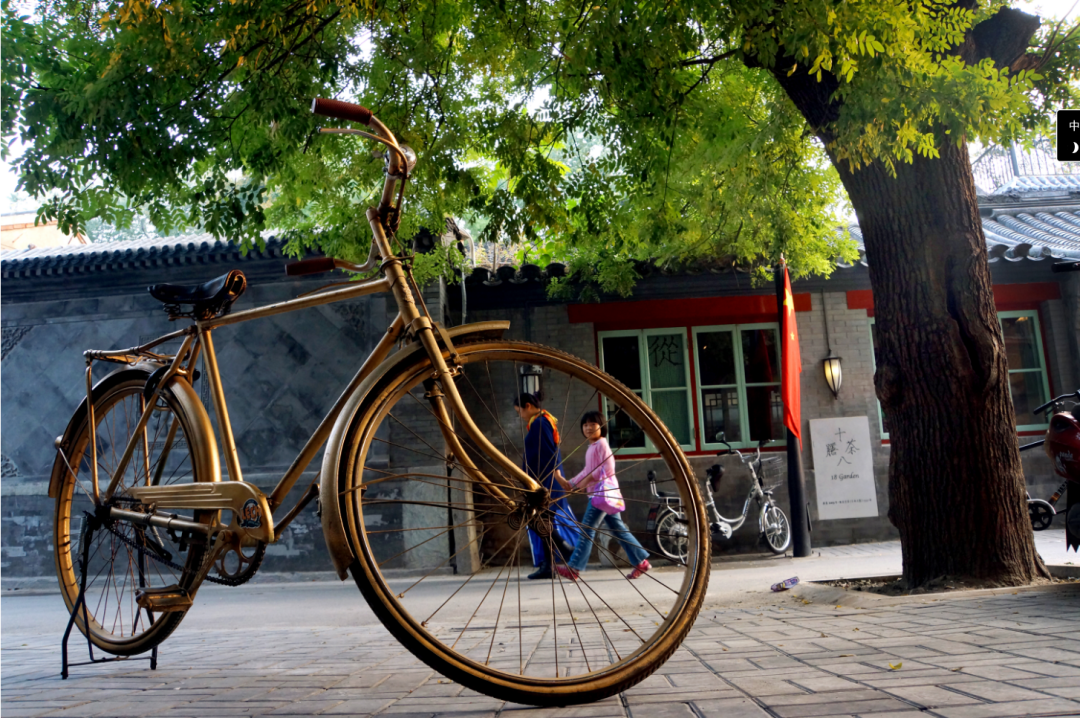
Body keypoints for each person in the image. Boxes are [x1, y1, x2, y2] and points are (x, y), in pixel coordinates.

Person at [556, 411, 650, 581]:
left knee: (587, 531)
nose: (588, 428)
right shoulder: (592, 447)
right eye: (585, 425)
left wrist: (582, 482)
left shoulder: (601, 445)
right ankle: (641, 562)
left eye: (593, 424)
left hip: (600, 496)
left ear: (602, 426)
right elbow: (587, 471)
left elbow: (607, 469)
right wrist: (571, 483)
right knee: (618, 529)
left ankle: (574, 568)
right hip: (604, 496)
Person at [513, 393, 579, 579]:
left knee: (536, 520)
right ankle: (548, 566)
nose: (520, 416)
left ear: (527, 406)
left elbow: (551, 452)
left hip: (545, 482)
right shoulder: (542, 421)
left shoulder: (540, 423)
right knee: (544, 522)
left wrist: (556, 477)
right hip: (544, 480)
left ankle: (564, 548)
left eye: (519, 411)